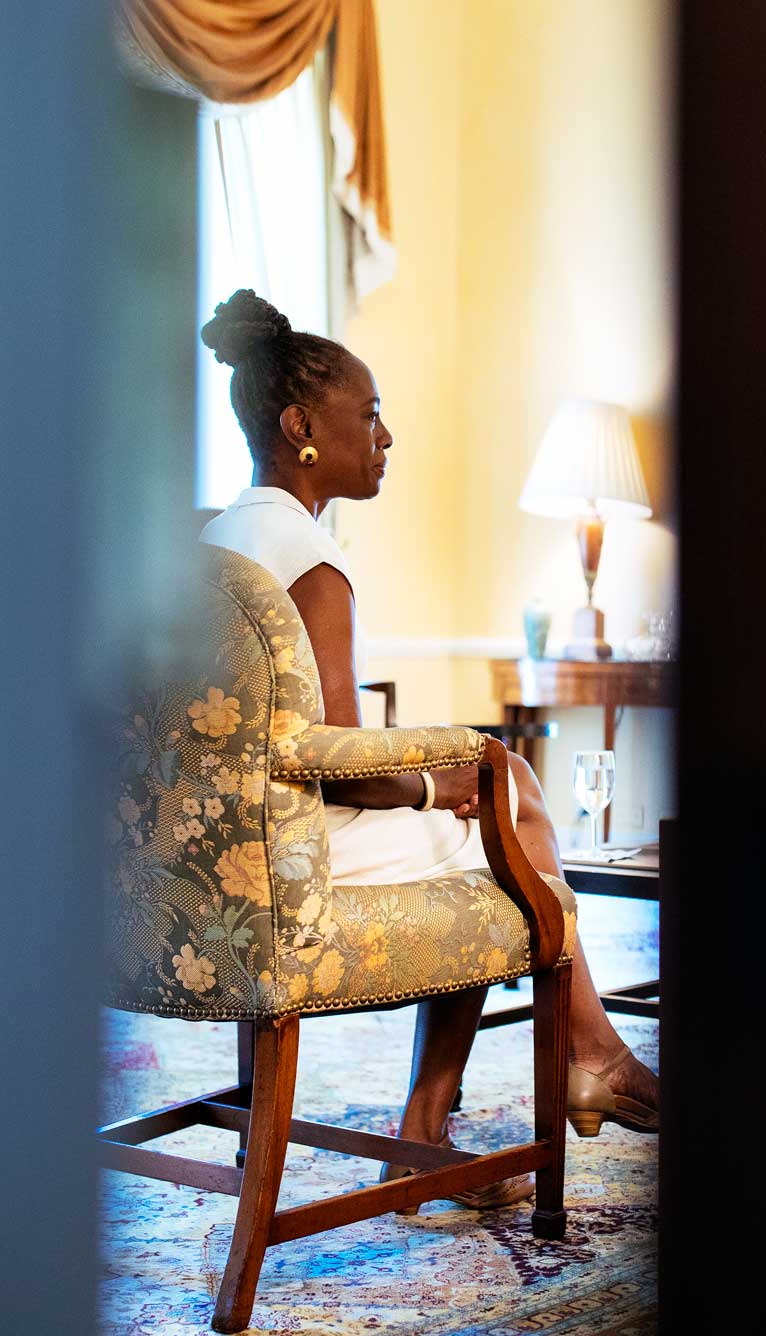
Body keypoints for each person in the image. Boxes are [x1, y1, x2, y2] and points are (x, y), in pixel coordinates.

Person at [196, 289, 659, 1208]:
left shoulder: (214, 539)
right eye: (369, 414)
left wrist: (444, 779)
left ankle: (547, 1071)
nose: (387, 435)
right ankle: (555, 1070)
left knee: (501, 785)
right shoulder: (309, 559)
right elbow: (343, 768)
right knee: (503, 822)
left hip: (208, 856)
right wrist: (433, 787)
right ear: (301, 427)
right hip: (291, 855)